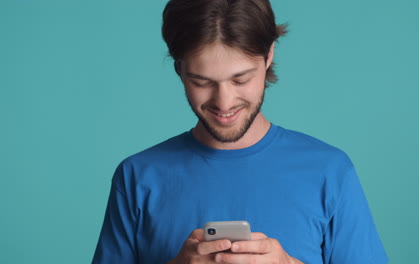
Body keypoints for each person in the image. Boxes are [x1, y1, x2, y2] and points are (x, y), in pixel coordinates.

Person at [92, 0, 389, 263]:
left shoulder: (330, 171)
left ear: (269, 55)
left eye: (241, 79)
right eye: (201, 81)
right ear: (179, 69)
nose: (224, 102)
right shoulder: (137, 177)